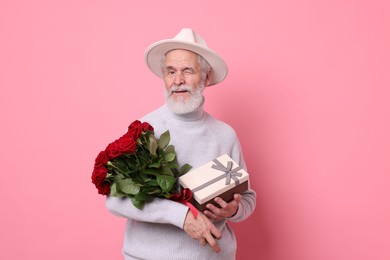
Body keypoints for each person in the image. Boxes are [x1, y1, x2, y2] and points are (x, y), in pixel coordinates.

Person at [106, 28, 256, 260]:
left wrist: (234, 209)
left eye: (187, 70)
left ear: (206, 76)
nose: (178, 81)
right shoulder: (146, 129)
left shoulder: (225, 134)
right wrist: (182, 216)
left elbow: (248, 198)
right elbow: (115, 201)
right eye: (170, 71)